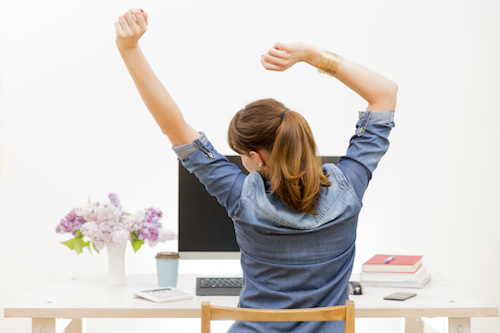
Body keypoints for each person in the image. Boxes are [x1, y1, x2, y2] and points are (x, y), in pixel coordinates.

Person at [115, 8, 397, 333]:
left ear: (257, 158)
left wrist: (129, 49)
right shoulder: (349, 186)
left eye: (241, 156)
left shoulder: (242, 198)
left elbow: (173, 127)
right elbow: (385, 93)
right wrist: (311, 55)